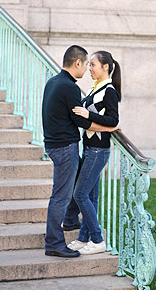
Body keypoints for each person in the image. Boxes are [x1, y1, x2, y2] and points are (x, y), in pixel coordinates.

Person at [42, 45, 116, 258]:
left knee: (73, 193)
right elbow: (81, 121)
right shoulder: (70, 88)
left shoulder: (53, 82)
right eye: (86, 64)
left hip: (55, 145)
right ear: (77, 63)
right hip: (65, 148)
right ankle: (55, 242)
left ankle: (76, 229)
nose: (87, 69)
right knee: (62, 197)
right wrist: (110, 127)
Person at [66, 51, 122, 255]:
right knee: (90, 195)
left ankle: (98, 239)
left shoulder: (109, 91)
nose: (89, 69)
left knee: (79, 194)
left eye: (93, 65)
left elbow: (114, 121)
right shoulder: (93, 89)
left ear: (105, 67)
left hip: (98, 150)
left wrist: (88, 114)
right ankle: (83, 237)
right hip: (89, 148)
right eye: (89, 65)